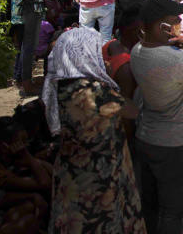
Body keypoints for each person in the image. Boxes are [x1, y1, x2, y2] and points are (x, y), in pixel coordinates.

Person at [41, 27, 144, 233]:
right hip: (99, 181)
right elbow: (132, 111)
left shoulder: (59, 87)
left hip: (72, 176)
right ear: (86, 53)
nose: (102, 57)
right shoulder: (93, 91)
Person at [131, 0, 183, 234]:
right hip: (174, 143)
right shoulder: (176, 60)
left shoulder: (137, 51)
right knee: (171, 210)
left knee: (151, 205)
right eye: (174, 19)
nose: (180, 20)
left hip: (147, 136)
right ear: (162, 27)